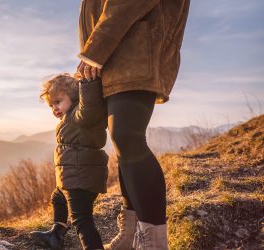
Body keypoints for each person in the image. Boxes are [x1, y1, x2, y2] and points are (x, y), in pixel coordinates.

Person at [75, 0, 191, 249]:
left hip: (135, 47)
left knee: (127, 137)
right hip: (118, 53)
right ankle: (130, 234)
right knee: (123, 144)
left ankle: (155, 243)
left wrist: (94, 50)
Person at [30, 73, 108, 250]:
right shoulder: (70, 118)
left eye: (58, 102)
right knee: (58, 198)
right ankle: (57, 234)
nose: (54, 108)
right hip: (75, 177)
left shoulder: (81, 115)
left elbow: (88, 105)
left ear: (74, 97)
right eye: (51, 105)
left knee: (82, 220)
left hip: (81, 178)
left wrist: (87, 83)